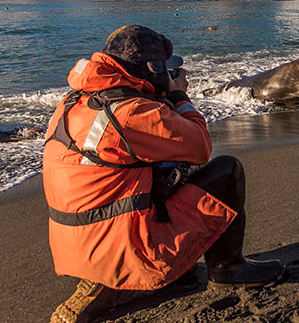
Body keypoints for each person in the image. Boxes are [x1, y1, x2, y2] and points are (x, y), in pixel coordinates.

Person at [44, 25, 285, 323]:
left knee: (160, 170)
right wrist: (179, 95)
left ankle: (168, 273)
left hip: (74, 246)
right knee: (227, 170)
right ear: (151, 69)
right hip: (118, 247)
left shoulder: (72, 102)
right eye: (164, 69)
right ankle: (228, 269)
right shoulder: (131, 112)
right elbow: (200, 147)